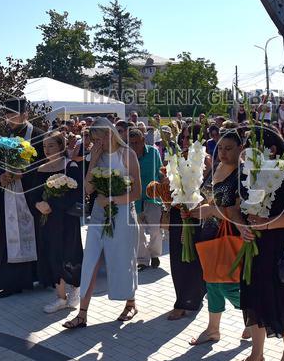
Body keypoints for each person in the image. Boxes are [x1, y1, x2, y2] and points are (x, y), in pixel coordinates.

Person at [228, 127, 284, 361]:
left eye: (251, 148)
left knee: (280, 296)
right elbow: (233, 206)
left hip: (282, 246)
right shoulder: (248, 172)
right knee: (254, 296)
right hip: (255, 246)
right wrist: (242, 225)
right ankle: (256, 355)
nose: (245, 153)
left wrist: (267, 224)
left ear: (271, 149)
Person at [63, 118, 142, 328]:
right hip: (99, 213)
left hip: (122, 213)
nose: (98, 144)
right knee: (91, 259)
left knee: (123, 260)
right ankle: (82, 314)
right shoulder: (96, 156)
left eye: (100, 139)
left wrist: (112, 200)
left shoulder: (127, 154)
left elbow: (136, 192)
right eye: (95, 140)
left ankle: (130, 303)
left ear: (110, 134)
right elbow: (88, 189)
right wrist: (93, 161)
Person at [189, 129, 248, 344]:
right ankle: (213, 329)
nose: (223, 152)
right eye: (220, 148)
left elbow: (241, 211)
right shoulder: (216, 167)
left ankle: (255, 316)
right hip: (210, 232)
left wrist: (211, 210)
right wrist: (195, 207)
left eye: (228, 148)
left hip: (231, 233)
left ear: (241, 149)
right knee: (212, 282)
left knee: (227, 284)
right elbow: (206, 196)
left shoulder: (243, 175)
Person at [0, 98, 40, 297]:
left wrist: (24, 174)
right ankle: (12, 282)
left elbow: (46, 164)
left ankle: (38, 277)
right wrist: (0, 177)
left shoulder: (38, 135)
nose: (8, 119)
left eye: (12, 115)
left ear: (25, 115)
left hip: (30, 196)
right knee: (9, 237)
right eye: (7, 115)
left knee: (35, 235)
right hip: (10, 194)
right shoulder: (6, 137)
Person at [30, 131, 84, 313]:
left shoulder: (71, 166)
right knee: (52, 255)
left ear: (61, 146)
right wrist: (38, 204)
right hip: (48, 220)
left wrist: (52, 204)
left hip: (67, 220)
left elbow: (77, 194)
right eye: (44, 146)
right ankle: (61, 297)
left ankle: (75, 288)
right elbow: (33, 194)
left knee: (70, 254)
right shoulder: (40, 169)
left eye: (51, 145)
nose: (47, 149)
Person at [165, 139, 207, 321]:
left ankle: (190, 299)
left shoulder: (203, 163)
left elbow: (206, 192)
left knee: (194, 261)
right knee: (178, 259)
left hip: (196, 214)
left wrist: (192, 207)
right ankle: (183, 299)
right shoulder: (173, 165)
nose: (183, 143)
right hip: (178, 214)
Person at [131, 128, 163, 271]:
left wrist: (165, 182)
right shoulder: (128, 156)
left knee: (155, 229)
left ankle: (154, 254)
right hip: (135, 199)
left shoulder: (153, 152)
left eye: (136, 142)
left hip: (153, 197)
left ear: (143, 140)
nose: (134, 146)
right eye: (131, 143)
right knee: (139, 231)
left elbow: (160, 171)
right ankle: (142, 260)